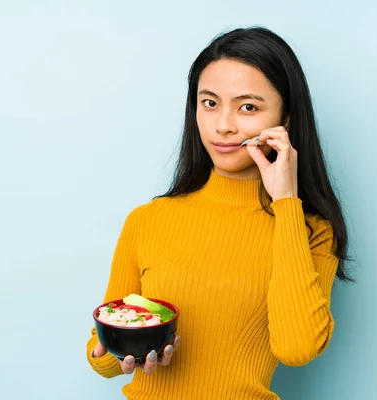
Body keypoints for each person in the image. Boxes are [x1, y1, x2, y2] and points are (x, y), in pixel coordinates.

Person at [86, 26, 352, 400]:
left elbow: (297, 348)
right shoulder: (148, 220)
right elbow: (102, 350)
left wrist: (287, 203)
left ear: (286, 119)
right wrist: (113, 354)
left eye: (248, 107)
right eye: (209, 103)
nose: (223, 125)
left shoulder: (312, 231)